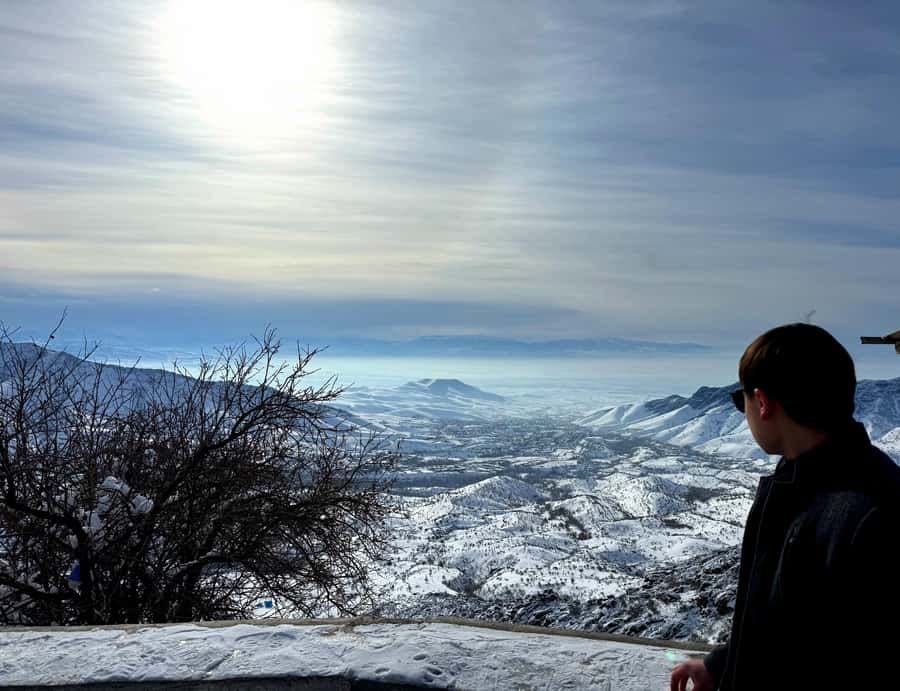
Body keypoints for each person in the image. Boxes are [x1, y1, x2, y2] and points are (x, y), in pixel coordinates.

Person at [670, 323, 900, 691]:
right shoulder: (801, 482)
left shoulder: (867, 515)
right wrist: (722, 667)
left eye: (741, 400)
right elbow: (788, 626)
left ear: (762, 402)